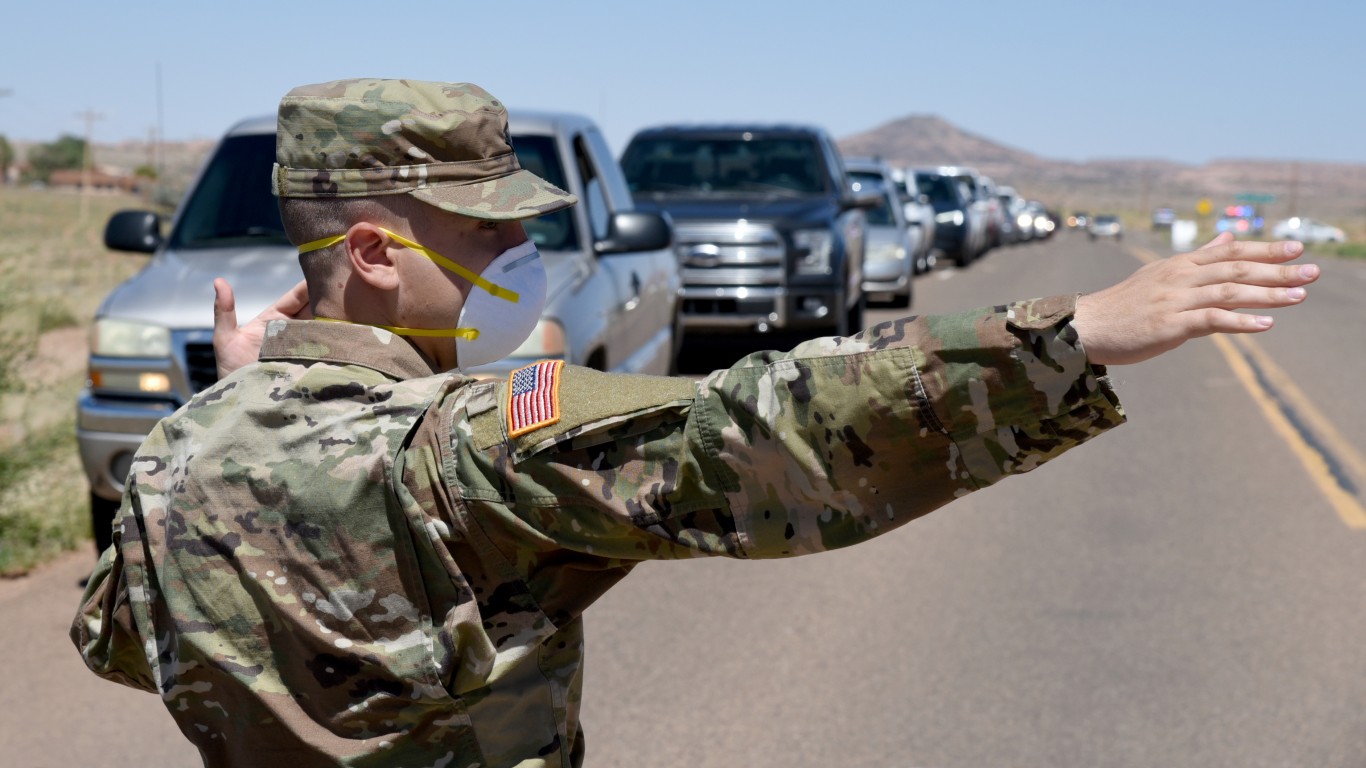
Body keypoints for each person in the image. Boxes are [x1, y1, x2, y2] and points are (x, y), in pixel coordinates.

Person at [72, 78, 1318, 768]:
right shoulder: (466, 441)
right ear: (370, 250)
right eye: (486, 229)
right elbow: (755, 429)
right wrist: (1074, 335)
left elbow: (129, 647)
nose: (523, 247)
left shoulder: (182, 452)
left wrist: (244, 387)